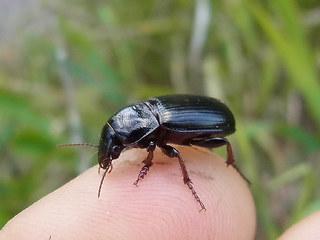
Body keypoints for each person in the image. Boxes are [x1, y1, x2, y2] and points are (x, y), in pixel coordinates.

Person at [0, 146, 319, 239]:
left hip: (211, 121)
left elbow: (172, 151)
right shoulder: (144, 129)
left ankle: (201, 180)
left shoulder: (153, 132)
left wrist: (149, 163)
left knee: (179, 155)